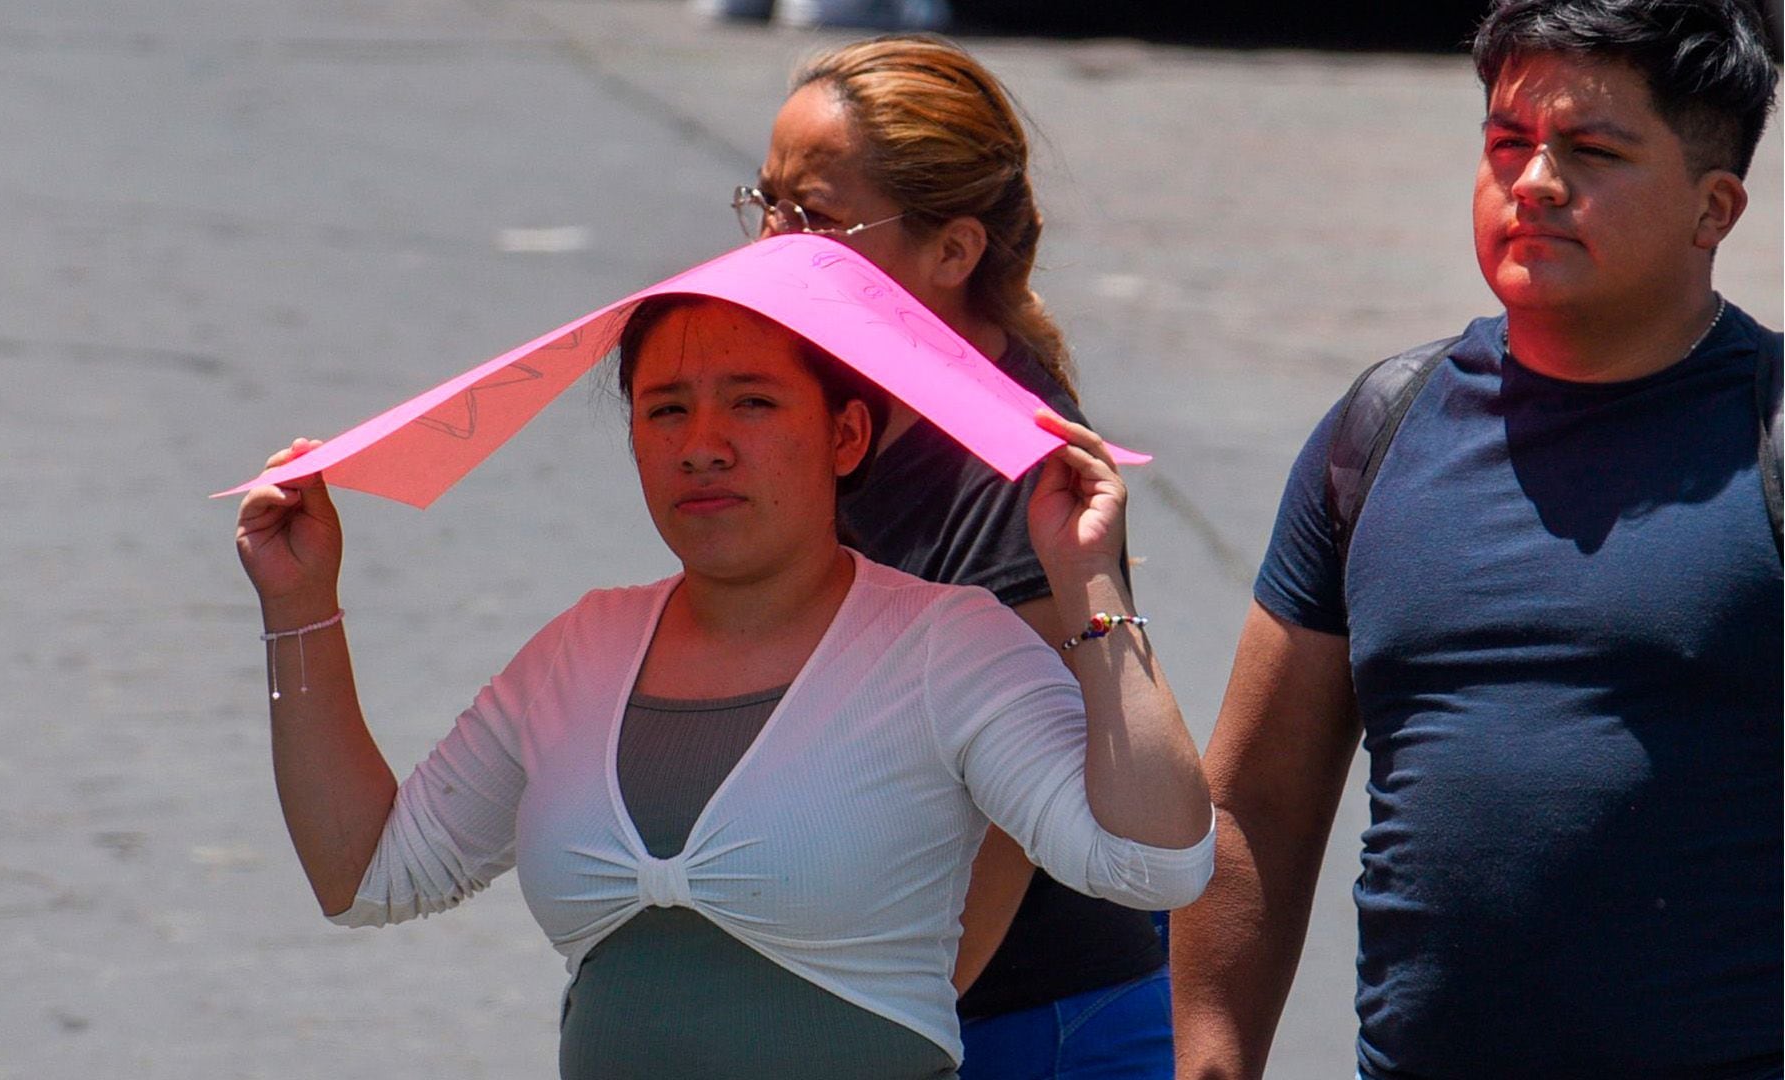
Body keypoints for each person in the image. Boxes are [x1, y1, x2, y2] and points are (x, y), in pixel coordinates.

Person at [234, 293, 1214, 1077]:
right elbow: (365, 875)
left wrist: (1088, 575)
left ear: (846, 435)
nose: (702, 441)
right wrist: (299, 605)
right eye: (666, 409)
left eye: (751, 400)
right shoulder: (583, 647)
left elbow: (1157, 863)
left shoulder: (942, 646)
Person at [1170, 2, 1782, 1078]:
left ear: (1713, 208)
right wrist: (1212, 1060)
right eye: (1508, 143)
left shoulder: (1768, 437)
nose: (1536, 181)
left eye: (1593, 151)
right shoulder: (1378, 431)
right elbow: (1256, 805)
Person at [739, 34, 1185, 1077]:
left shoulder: (1016, 475)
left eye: (813, 218)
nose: (771, 242)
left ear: (953, 253)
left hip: (1018, 1021)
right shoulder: (841, 395)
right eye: (763, 203)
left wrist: (882, 1036)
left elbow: (1002, 830)